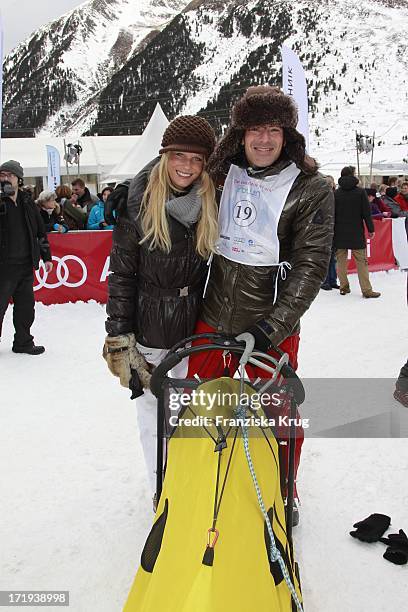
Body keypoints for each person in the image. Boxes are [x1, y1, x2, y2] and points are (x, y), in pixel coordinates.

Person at [185, 86, 334, 522]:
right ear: (241, 135)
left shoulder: (311, 188)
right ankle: (202, 477)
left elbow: (310, 267)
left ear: (287, 135)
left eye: (273, 129)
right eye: (255, 130)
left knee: (280, 413)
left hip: (272, 328)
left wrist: (272, 329)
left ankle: (284, 488)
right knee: (202, 406)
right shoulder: (221, 174)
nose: (264, 139)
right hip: (214, 315)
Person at [102, 116, 217, 489]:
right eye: (178, 155)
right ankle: (161, 487)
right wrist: (120, 338)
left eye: (197, 159)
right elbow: (121, 277)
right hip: (151, 328)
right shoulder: (137, 205)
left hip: (196, 328)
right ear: (164, 156)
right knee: (153, 414)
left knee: (189, 414)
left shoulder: (207, 200)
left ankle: (184, 485)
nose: (187, 166)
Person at [0, 160, 52, 354]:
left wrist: (46, 256)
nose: (4, 178)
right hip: (3, 266)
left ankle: (23, 342)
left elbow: (39, 231)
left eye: (9, 175)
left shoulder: (27, 201)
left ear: (18, 179)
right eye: (2, 175)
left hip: (25, 265)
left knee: (25, 308)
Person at [334, 166, 380, 298]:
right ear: (352, 175)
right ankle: (366, 290)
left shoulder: (336, 193)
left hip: (339, 232)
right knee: (361, 262)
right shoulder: (360, 192)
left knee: (341, 261)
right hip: (356, 232)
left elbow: (332, 214)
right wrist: (371, 229)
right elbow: (366, 213)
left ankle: (343, 287)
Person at [321, 175, 339, 290]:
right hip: (324, 230)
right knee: (326, 257)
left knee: (332, 257)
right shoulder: (321, 196)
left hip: (334, 229)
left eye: (331, 182)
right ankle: (325, 281)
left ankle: (332, 280)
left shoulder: (336, 196)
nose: (330, 184)